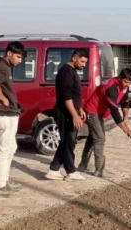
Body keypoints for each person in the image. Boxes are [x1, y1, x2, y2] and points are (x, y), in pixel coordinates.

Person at [78, 68, 131, 177]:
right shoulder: (111, 88)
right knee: (100, 138)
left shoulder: (124, 87)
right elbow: (115, 112)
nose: (128, 85)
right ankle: (100, 170)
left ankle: (83, 164)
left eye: (130, 83)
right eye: (126, 82)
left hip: (101, 112)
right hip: (92, 111)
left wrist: (126, 117)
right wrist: (126, 129)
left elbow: (125, 103)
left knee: (93, 136)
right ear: (119, 78)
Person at [0, 41, 26, 198]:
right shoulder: (1, 66)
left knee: (11, 147)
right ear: (9, 53)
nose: (19, 61)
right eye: (18, 57)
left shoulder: (4, 66)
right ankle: (1, 186)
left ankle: (4, 181)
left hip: (8, 113)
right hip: (4, 113)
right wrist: (4, 100)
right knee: (5, 150)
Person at [45, 49, 89, 182]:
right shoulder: (65, 72)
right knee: (68, 141)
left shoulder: (73, 72)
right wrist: (74, 115)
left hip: (72, 111)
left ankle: (54, 169)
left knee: (67, 141)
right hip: (65, 112)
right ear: (74, 58)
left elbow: (75, 94)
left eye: (85, 62)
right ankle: (71, 171)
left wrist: (80, 109)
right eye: (82, 61)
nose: (84, 65)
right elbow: (66, 96)